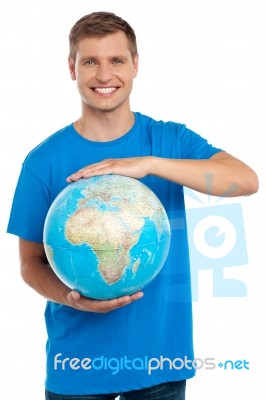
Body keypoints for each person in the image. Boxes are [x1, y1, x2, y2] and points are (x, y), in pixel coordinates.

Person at [7, 11, 258, 400]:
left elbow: (246, 180)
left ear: (136, 65)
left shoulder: (170, 141)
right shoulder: (43, 161)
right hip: (78, 370)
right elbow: (29, 264)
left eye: (117, 60)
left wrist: (150, 164)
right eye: (90, 61)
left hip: (162, 366)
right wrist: (71, 298)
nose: (104, 75)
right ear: (71, 68)